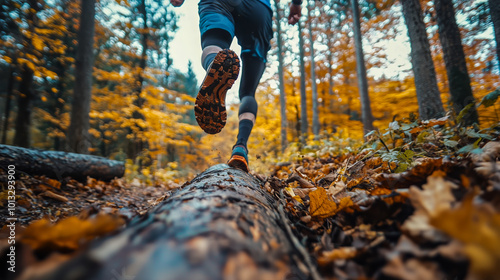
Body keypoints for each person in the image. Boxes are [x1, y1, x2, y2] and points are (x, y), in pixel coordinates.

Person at [171, 0, 302, 172]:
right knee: (248, 93)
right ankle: (240, 148)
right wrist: (297, 4)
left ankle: (213, 65)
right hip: (258, 10)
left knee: (214, 45)